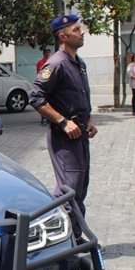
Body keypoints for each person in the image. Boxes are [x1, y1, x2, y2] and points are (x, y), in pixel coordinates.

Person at [28, 14, 98, 244]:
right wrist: (62, 121)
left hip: (80, 135)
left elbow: (79, 98)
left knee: (80, 189)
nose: (82, 32)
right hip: (64, 138)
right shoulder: (56, 63)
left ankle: (74, 239)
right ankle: (63, 242)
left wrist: (87, 121)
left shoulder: (79, 62)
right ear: (63, 36)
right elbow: (36, 97)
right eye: (77, 30)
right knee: (69, 192)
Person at [36, 48, 52, 125]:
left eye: (49, 52)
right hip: (44, 84)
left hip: (51, 85)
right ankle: (43, 118)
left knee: (50, 103)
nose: (47, 54)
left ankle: (49, 118)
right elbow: (41, 73)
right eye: (46, 52)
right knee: (43, 102)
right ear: (44, 53)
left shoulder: (51, 61)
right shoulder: (41, 62)